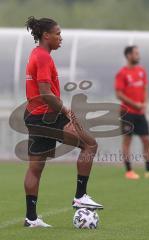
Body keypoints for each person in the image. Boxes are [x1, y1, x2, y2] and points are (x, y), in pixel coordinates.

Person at [24, 16, 103, 227]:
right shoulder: (43, 57)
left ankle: (31, 218)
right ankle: (80, 195)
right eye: (58, 33)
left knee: (35, 168)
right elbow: (45, 93)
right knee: (90, 144)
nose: (61, 38)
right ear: (46, 35)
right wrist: (66, 110)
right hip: (47, 116)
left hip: (35, 115)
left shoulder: (36, 54)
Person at [115, 45, 149, 180]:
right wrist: (135, 104)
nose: (138, 56)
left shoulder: (141, 71)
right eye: (135, 53)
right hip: (127, 113)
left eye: (138, 53)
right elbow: (119, 94)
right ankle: (129, 171)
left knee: (146, 140)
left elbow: (145, 88)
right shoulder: (122, 73)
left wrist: (144, 103)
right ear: (129, 55)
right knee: (127, 140)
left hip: (140, 113)